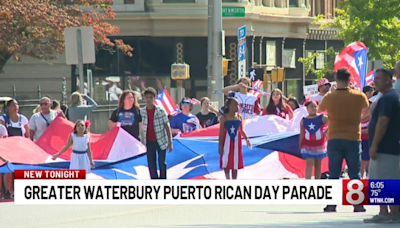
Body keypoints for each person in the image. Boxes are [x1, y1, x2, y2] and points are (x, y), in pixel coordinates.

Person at [319, 68, 369, 213]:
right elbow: (367, 110)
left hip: (334, 137)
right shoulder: (359, 96)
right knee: (355, 173)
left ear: (336, 78)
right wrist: (358, 119)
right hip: (353, 137)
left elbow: (321, 109)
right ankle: (358, 204)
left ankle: (331, 204)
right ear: (350, 79)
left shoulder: (330, 97)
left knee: (334, 173)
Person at [364, 68, 400, 223]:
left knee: (385, 181)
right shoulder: (387, 97)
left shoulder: (388, 98)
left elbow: (382, 122)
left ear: (387, 79)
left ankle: (389, 213)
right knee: (383, 181)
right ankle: (387, 213)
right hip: (386, 147)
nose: (375, 82)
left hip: (385, 147)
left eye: (378, 78)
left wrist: (374, 145)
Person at [140, 87, 173, 179]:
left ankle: (163, 180)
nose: (149, 99)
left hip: (161, 140)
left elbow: (167, 126)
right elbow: (140, 126)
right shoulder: (142, 112)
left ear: (154, 98)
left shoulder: (161, 111)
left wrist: (170, 143)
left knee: (162, 162)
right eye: (147, 97)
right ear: (144, 98)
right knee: (151, 163)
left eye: (151, 97)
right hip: (149, 142)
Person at [218, 97, 251, 179]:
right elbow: (221, 133)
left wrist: (247, 139)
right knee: (226, 159)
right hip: (226, 143)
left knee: (235, 161)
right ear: (229, 106)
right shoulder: (224, 118)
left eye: (238, 105)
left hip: (236, 143)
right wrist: (220, 146)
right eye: (235, 105)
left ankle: (234, 179)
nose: (238, 107)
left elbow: (241, 130)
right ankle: (227, 178)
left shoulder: (239, 117)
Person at [299, 100, 328, 179]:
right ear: (307, 108)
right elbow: (302, 133)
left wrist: (326, 131)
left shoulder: (322, 117)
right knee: (309, 163)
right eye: (311, 106)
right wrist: (300, 145)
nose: (314, 108)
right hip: (307, 145)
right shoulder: (303, 120)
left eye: (315, 106)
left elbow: (332, 122)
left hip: (319, 145)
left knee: (318, 165)